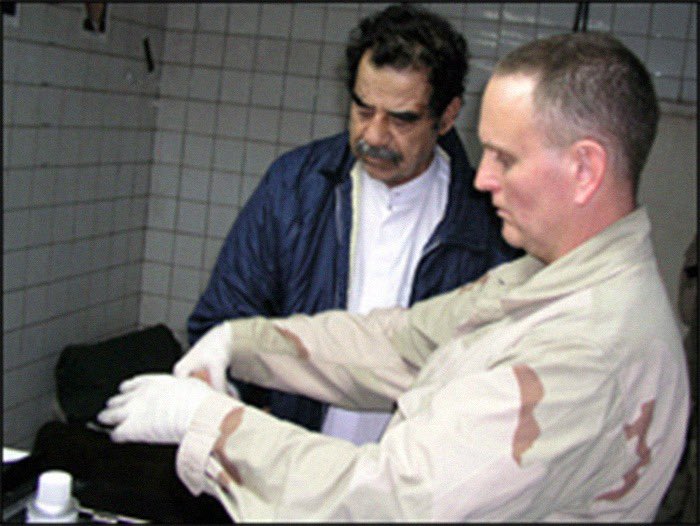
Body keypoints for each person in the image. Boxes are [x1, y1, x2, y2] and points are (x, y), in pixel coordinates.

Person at [98, 31, 690, 521]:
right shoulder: (543, 279)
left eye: (505, 158)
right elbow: (403, 342)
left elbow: (393, 501)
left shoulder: (588, 347)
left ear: (585, 168)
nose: (482, 178)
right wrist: (240, 342)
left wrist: (205, 423)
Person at [185, 3, 517, 444]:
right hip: (294, 456)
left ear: (448, 116)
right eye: (363, 108)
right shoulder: (296, 186)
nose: (374, 135)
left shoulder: (488, 219)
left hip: (414, 469)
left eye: (401, 119)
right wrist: (250, 411)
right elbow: (222, 318)